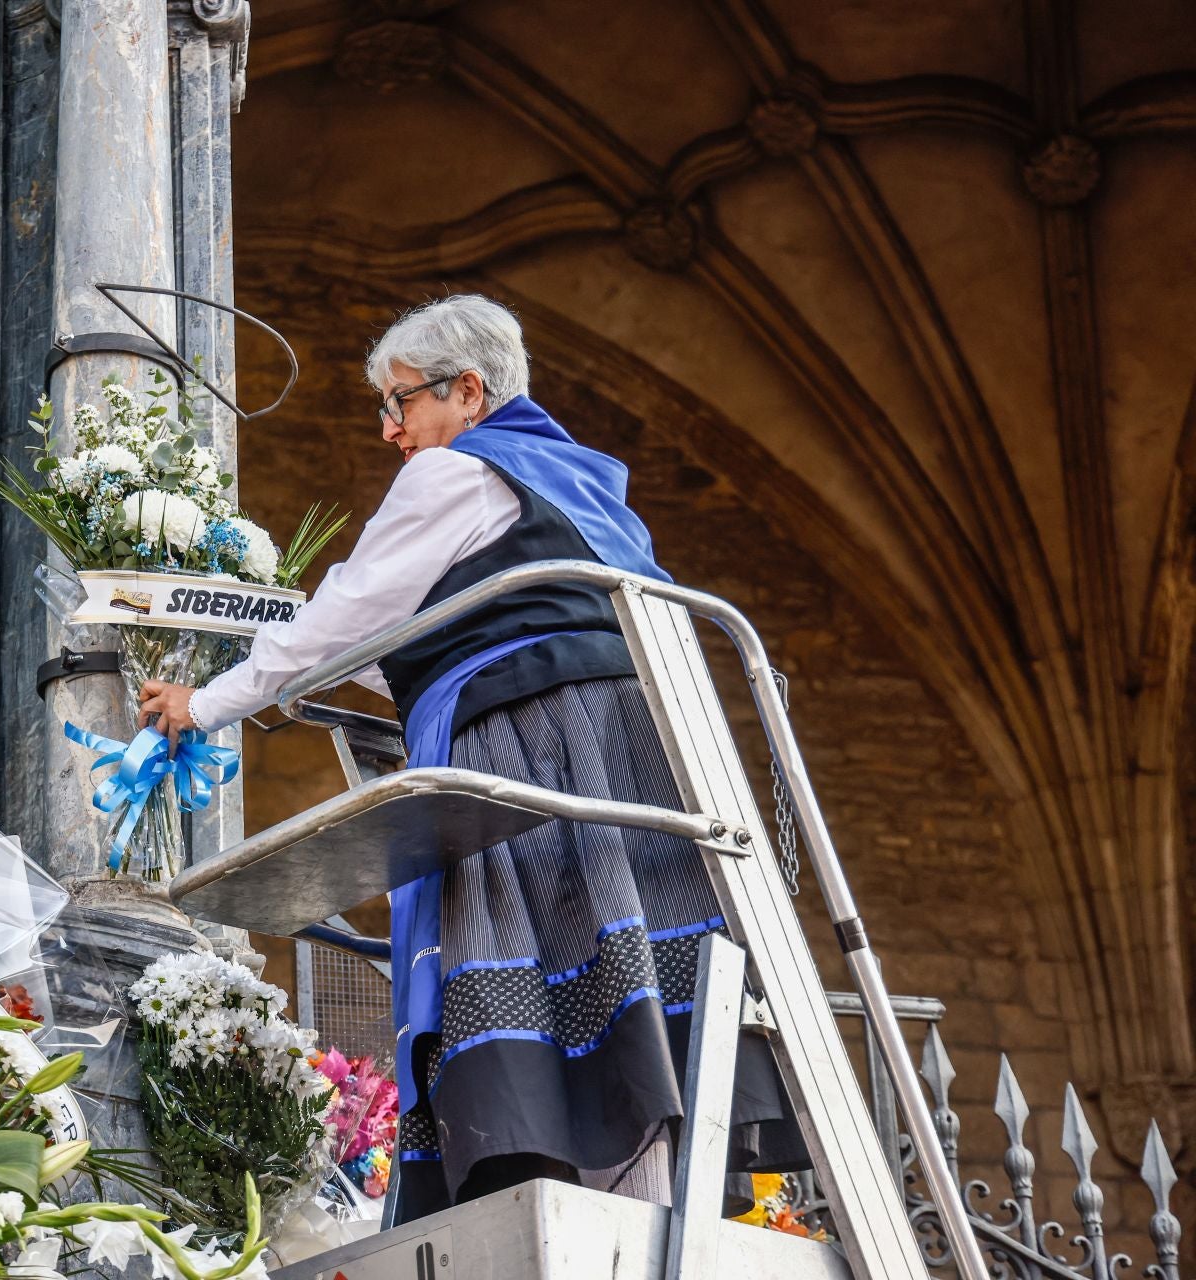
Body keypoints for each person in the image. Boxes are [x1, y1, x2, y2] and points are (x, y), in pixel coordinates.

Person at [138, 294, 802, 1222]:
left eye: (400, 402)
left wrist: (204, 704)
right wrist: (307, 674)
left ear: (469, 392)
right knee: (620, 982)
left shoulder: (454, 476)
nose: (389, 430)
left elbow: (344, 616)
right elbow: (443, 637)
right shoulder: (582, 485)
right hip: (630, 754)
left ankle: (566, 1187)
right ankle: (646, 1197)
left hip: (526, 746)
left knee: (521, 960)